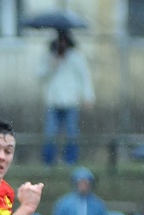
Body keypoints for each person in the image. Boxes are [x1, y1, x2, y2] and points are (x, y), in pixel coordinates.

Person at [37, 29, 95, 167]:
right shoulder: (49, 57)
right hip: (53, 101)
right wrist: (52, 64)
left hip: (70, 101)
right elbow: (39, 75)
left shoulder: (75, 57)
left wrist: (88, 96)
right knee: (50, 133)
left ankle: (70, 161)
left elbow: (84, 77)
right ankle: (48, 162)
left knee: (71, 133)